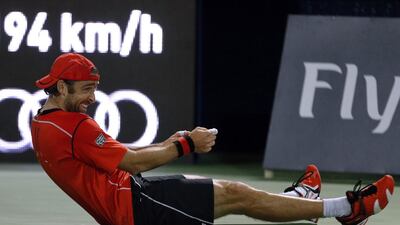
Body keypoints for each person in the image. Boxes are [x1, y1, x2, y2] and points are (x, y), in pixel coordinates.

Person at [31, 53, 394, 225]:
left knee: (231, 193)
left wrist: (166, 143)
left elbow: (121, 157)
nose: (92, 98)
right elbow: (130, 162)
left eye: (95, 89)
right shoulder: (74, 126)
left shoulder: (45, 125)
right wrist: (187, 145)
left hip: (134, 196)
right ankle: (347, 209)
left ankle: (300, 201)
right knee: (237, 195)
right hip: (135, 210)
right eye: (87, 90)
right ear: (61, 87)